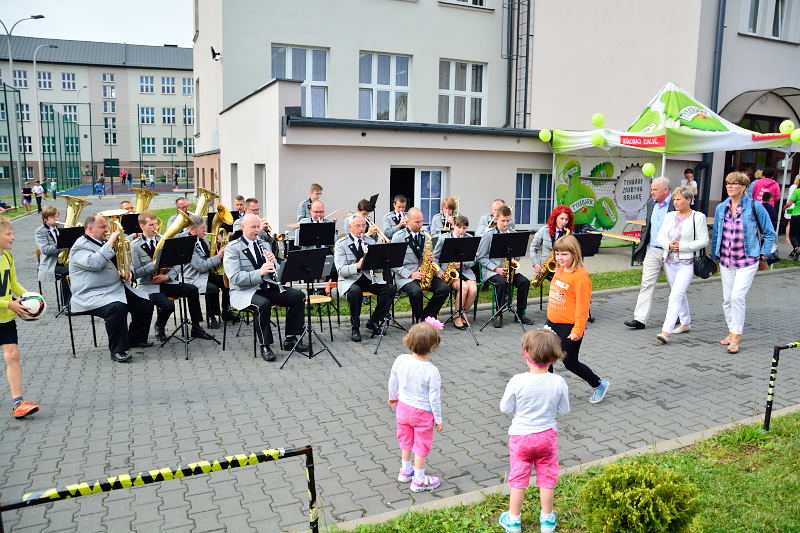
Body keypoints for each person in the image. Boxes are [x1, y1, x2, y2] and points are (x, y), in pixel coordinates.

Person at [498, 329, 569, 533]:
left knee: (518, 479)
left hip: (521, 437)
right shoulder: (558, 382)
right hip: (547, 436)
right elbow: (564, 410)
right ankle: (547, 520)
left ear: (525, 353)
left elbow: (505, 408)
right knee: (547, 478)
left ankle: (513, 520)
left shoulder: (517, 380)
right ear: (554, 358)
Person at [68, 214, 155, 362]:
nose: (107, 230)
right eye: (103, 227)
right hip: (92, 294)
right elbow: (95, 263)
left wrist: (129, 272)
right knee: (117, 308)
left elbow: (123, 261)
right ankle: (118, 350)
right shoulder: (79, 246)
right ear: (90, 229)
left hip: (114, 288)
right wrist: (111, 241)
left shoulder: (103, 242)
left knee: (146, 302)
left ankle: (135, 339)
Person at [223, 213, 308, 361]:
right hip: (244, 292)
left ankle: (291, 339)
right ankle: (265, 345)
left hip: (266, 287)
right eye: (253, 227)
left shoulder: (265, 244)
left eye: (258, 227)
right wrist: (259, 272)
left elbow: (275, 273)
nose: (257, 230)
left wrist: (274, 263)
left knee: (297, 296)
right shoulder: (233, 248)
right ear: (243, 227)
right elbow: (235, 278)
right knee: (263, 304)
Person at [710, 172, 776, 354]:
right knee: (727, 299)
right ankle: (732, 331)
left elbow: (770, 233)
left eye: (735, 183)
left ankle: (736, 336)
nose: (730, 186)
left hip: (748, 259)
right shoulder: (721, 208)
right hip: (726, 260)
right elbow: (716, 234)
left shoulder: (755, 206)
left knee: (737, 297)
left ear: (744, 187)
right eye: (728, 183)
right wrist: (714, 256)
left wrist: (763, 255)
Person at [130, 211, 215, 343]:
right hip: (148, 285)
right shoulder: (135, 246)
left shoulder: (164, 241)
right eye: (151, 225)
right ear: (142, 226)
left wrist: (168, 277)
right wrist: (153, 265)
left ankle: (196, 328)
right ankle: (160, 326)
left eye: (156, 224)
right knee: (168, 305)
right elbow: (135, 273)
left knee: (192, 290)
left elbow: (177, 263)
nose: (155, 228)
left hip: (166, 282)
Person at [547, 234, 609, 403]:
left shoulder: (581, 277)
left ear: (574, 254)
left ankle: (598, 384)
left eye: (564, 254)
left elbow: (583, 306)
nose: (559, 258)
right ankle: (549, 392)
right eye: (557, 254)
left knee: (570, 362)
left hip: (569, 327)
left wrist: (578, 330)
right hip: (552, 323)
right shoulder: (559, 269)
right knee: (546, 358)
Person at [388, 318, 444, 493]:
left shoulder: (400, 360)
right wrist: (438, 418)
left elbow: (393, 380)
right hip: (422, 413)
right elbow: (434, 397)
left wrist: (393, 397)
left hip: (403, 409)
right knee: (421, 446)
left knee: (405, 441)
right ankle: (419, 480)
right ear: (433, 346)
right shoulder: (432, 370)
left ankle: (405, 471)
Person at [654, 186, 709, 344]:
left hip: (687, 262)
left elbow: (704, 240)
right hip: (670, 260)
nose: (675, 202)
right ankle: (685, 322)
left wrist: (683, 246)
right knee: (678, 292)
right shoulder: (670, 216)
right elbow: (661, 237)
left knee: (675, 295)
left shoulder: (698, 217)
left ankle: (666, 331)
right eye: (674, 199)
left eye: (679, 199)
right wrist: (668, 245)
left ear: (689, 200)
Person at [0, 217, 41, 419]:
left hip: (5, 317)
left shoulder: (7, 257)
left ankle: (18, 402)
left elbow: (13, 284)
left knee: (13, 355)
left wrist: (32, 300)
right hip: (7, 308)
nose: (13, 237)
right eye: (8, 234)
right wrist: (9, 304)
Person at [334, 214, 395, 342]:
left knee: (390, 289)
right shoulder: (341, 244)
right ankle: (355, 328)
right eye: (358, 226)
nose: (361, 229)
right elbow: (340, 271)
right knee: (355, 292)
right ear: (350, 227)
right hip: (349, 280)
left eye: (363, 226)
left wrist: (382, 261)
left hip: (367, 277)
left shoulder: (370, 242)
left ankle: (373, 321)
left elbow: (377, 270)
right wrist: (357, 266)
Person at [624, 177, 674, 329]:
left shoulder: (676, 203)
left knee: (674, 286)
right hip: (652, 250)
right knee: (646, 284)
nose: (652, 192)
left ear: (666, 190)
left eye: (655, 189)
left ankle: (679, 316)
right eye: (651, 189)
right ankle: (640, 319)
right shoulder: (650, 203)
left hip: (671, 252)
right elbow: (648, 225)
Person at [477, 205, 534, 327]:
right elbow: (480, 257)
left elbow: (518, 256)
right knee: (501, 283)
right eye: (503, 221)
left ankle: (520, 314)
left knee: (524, 282)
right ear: (496, 219)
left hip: (510, 270)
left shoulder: (513, 234)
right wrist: (496, 268)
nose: (506, 224)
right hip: (492, 271)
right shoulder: (488, 235)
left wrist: (514, 258)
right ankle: (498, 315)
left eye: (508, 221)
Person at [391, 207, 450, 323]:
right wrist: (410, 274)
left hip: (425, 274)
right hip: (406, 277)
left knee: (444, 288)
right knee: (416, 292)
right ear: (408, 221)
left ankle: (427, 316)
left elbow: (431, 259)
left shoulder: (426, 236)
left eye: (422, 221)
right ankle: (420, 320)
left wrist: (437, 270)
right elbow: (393, 263)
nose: (421, 224)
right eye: (417, 222)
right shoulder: (398, 237)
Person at [183, 214, 235, 329]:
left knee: (226, 281)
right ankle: (211, 317)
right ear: (192, 230)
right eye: (202, 228)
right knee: (213, 289)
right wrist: (219, 256)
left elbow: (210, 256)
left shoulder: (204, 239)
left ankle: (226, 311)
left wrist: (218, 245)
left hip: (206, 274)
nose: (205, 230)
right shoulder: (187, 244)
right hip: (194, 277)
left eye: (205, 227)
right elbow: (201, 266)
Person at [433, 215, 477, 330]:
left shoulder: (469, 238)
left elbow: (474, 260)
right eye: (458, 227)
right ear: (453, 226)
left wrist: (462, 264)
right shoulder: (443, 238)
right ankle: (457, 316)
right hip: (449, 272)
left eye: (464, 228)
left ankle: (463, 314)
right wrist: (439, 272)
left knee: (473, 290)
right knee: (464, 287)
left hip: (465, 271)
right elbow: (435, 258)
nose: (461, 230)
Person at [34, 206, 71, 306]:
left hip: (64, 262)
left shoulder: (61, 229)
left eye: (57, 216)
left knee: (80, 269)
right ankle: (66, 305)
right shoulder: (40, 231)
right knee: (68, 273)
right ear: (45, 219)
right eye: (53, 217)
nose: (56, 219)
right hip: (50, 265)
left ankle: (77, 301)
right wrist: (63, 245)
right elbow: (45, 250)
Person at [529, 206, 575, 278]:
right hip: (546, 267)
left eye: (566, 219)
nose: (564, 222)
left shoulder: (568, 233)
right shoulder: (544, 230)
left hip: (562, 266)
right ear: (555, 218)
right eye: (562, 218)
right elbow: (533, 247)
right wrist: (535, 264)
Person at [785, 175, 800, 258]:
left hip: (796, 215)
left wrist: (785, 207)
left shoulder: (797, 191)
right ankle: (796, 250)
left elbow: (790, 203)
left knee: (792, 235)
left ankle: (796, 247)